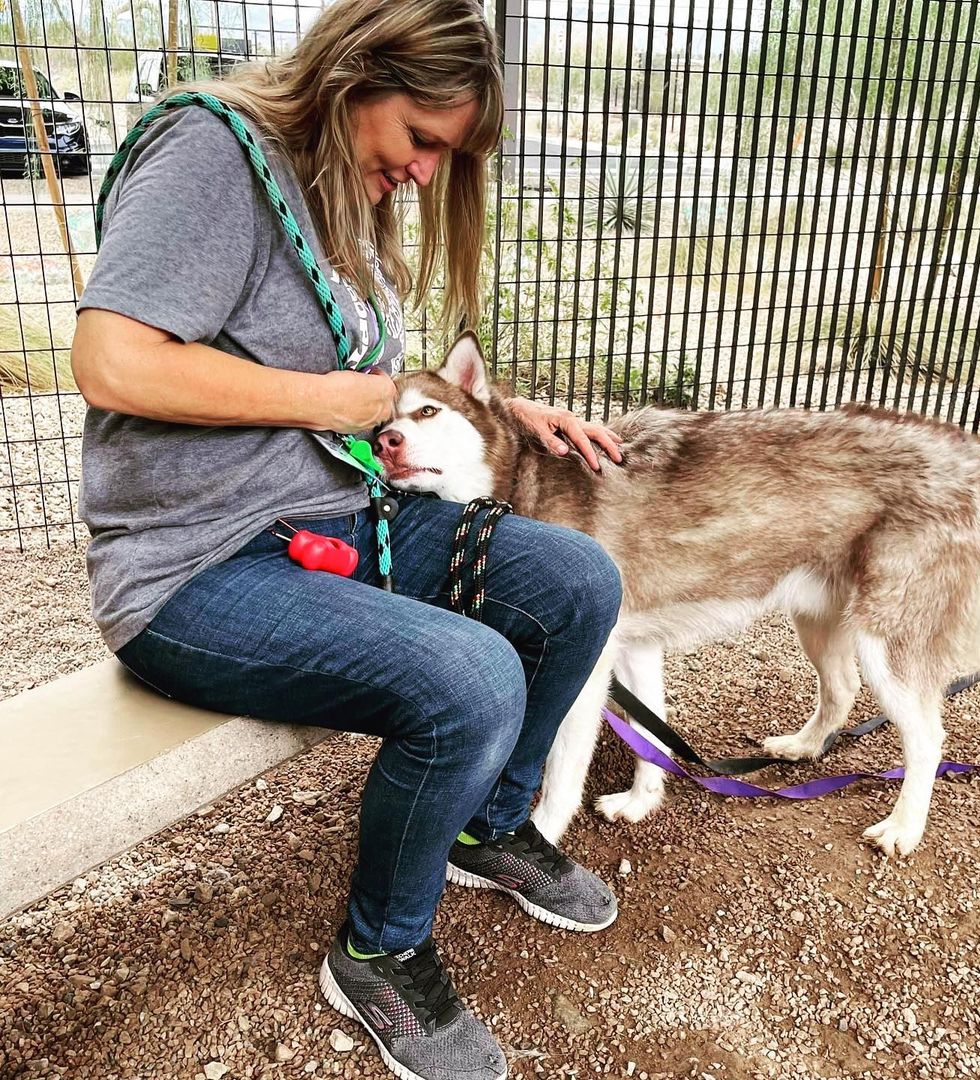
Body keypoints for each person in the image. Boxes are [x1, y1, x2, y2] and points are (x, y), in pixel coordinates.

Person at [70, 3, 624, 1079]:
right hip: (192, 565)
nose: (423, 174)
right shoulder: (213, 154)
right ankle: (378, 949)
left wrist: (504, 414)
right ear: (355, 74)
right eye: (420, 137)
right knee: (470, 676)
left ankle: (486, 825)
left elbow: (373, 385)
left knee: (575, 578)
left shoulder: (338, 194)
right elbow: (113, 363)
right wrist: (328, 401)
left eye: (441, 155)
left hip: (330, 521)